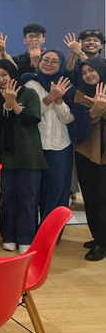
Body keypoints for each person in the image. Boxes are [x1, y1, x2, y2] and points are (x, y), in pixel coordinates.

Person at [0, 59, 45, 254]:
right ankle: (9, 236)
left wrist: (14, 105)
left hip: (29, 155)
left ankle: (26, 237)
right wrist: (6, 104)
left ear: (12, 73)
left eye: (4, 74)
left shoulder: (29, 93)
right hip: (7, 155)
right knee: (8, 197)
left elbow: (32, 119)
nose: (1, 79)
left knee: (28, 198)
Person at [20, 50, 75, 226]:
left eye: (54, 61)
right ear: (39, 61)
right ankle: (29, 234)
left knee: (57, 193)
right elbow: (29, 114)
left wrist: (59, 101)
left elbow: (69, 119)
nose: (49, 64)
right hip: (35, 146)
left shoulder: (67, 85)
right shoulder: (29, 83)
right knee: (31, 192)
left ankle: (51, 234)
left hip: (61, 146)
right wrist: (50, 97)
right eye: (46, 60)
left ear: (61, 65)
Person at [71, 58, 106, 261]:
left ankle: (102, 243)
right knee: (90, 199)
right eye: (84, 72)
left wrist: (100, 109)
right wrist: (96, 110)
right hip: (85, 152)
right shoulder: (81, 93)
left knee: (102, 200)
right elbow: (80, 121)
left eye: (91, 70)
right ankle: (98, 237)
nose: (88, 75)